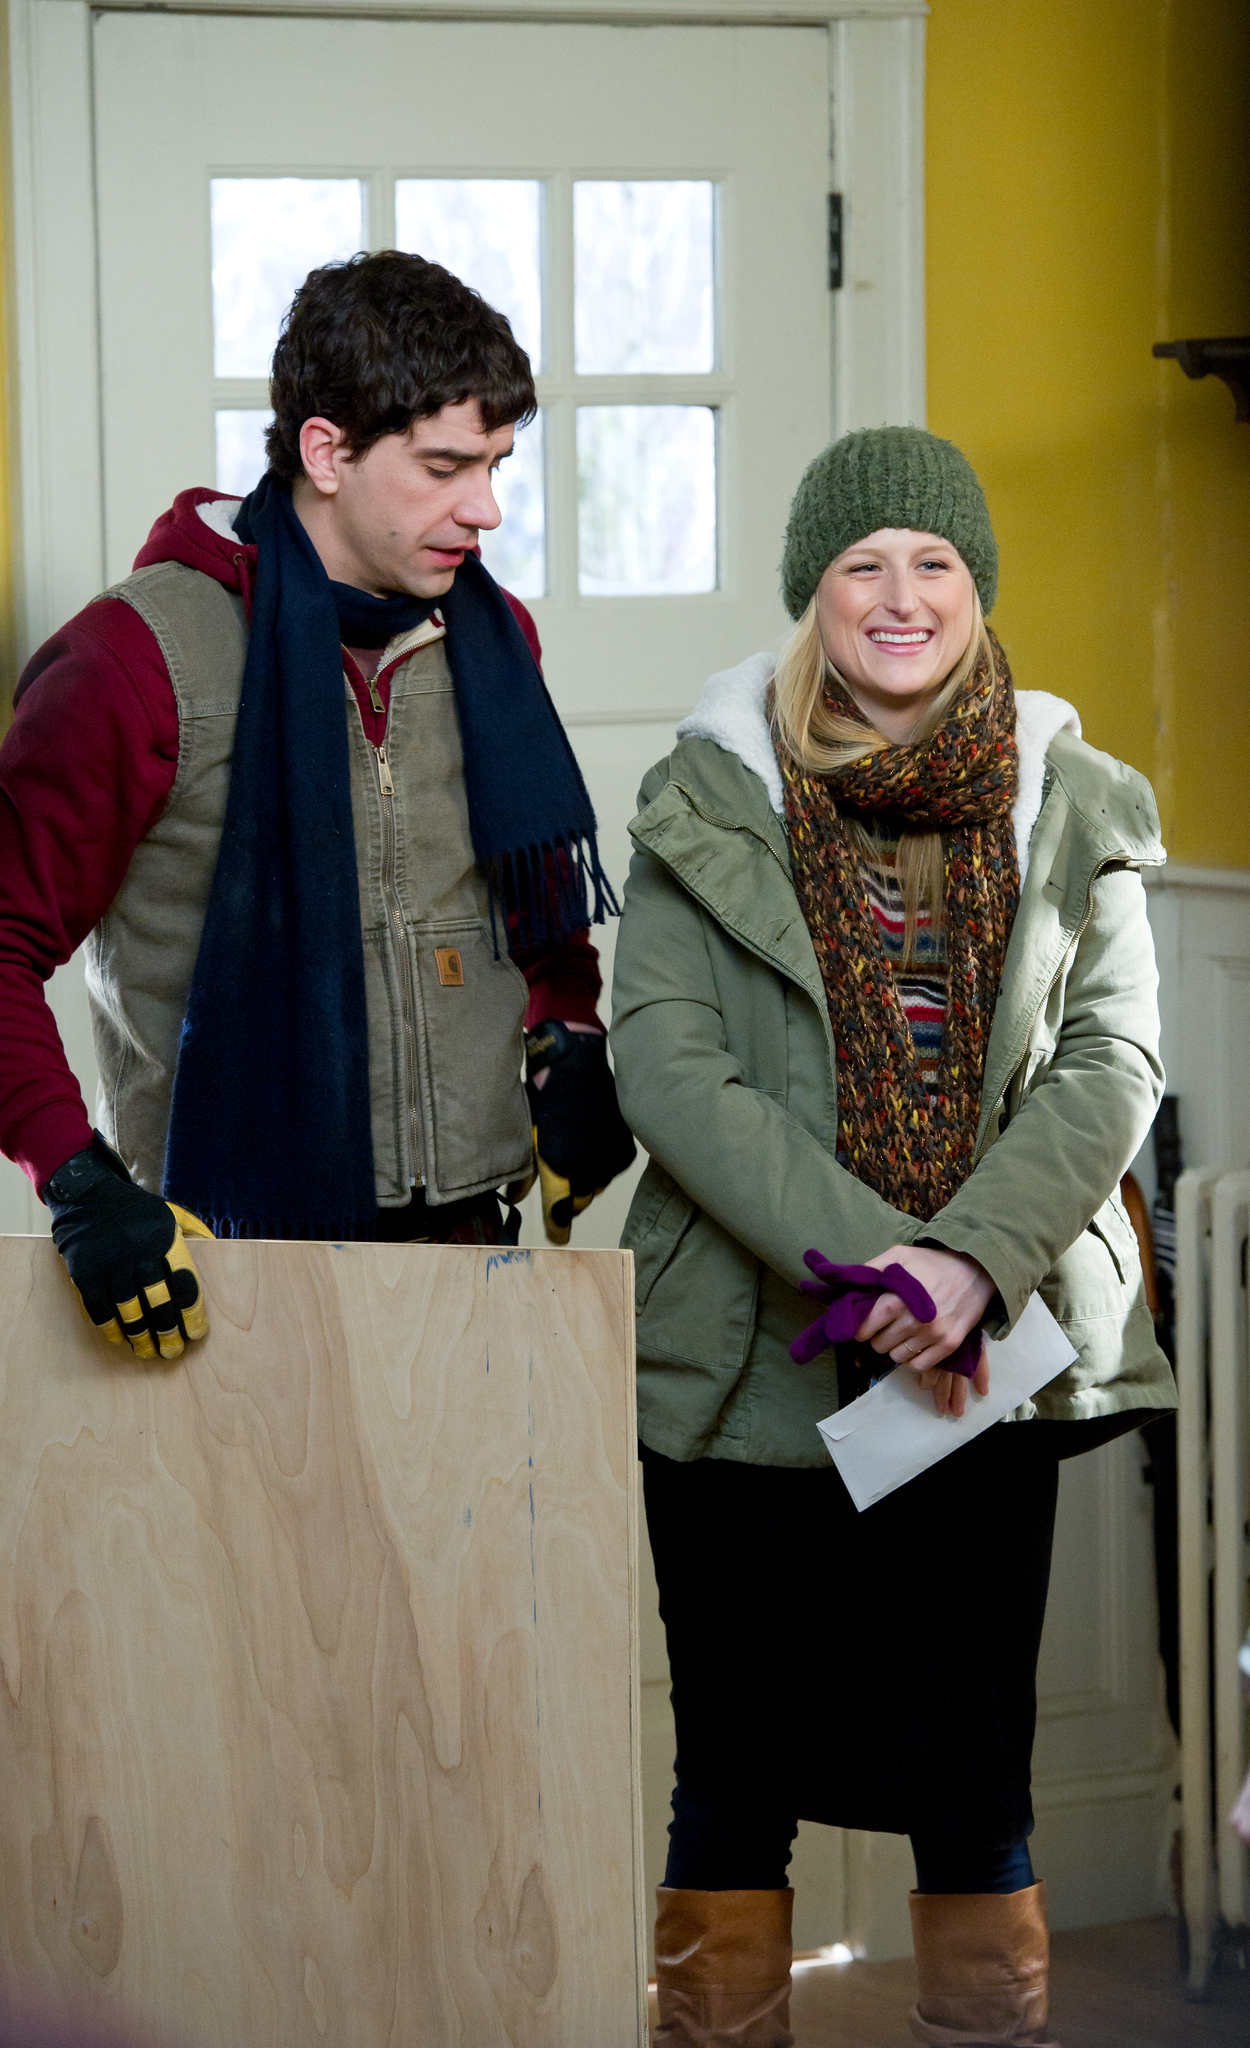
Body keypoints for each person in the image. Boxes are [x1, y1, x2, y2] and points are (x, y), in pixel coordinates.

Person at [610, 426, 1176, 2047]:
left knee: (971, 1780)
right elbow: (670, 1061)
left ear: (978, 591)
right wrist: (885, 1262)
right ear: (813, 596)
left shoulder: (1075, 798)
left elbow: (1112, 1059)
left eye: (934, 562)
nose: (901, 592)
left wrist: (964, 1264)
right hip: (745, 1376)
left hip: (979, 1368)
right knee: (732, 1784)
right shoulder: (709, 791)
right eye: (863, 563)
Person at [0, 251, 634, 1356]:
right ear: (325, 450)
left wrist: (567, 1023)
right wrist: (74, 1176)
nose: (482, 508)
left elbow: (528, 894)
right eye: (443, 466)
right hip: (218, 1260)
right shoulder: (134, 658)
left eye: (493, 464)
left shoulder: (491, 640)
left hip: (470, 1251)